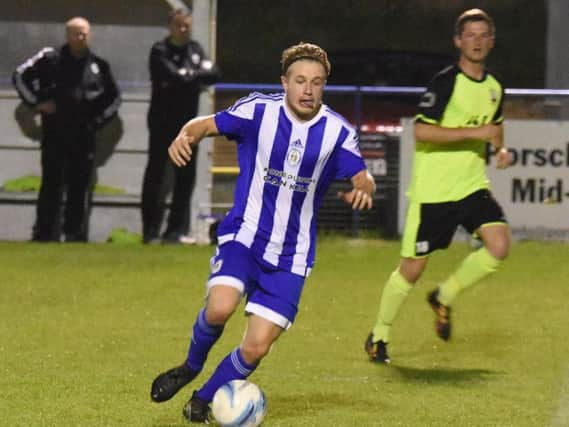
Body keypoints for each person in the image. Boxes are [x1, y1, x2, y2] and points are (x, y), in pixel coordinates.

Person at [150, 42, 376, 422]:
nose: (308, 90)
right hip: (246, 237)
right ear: (284, 82)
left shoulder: (338, 131)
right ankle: (190, 365)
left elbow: (361, 174)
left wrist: (363, 186)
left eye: (317, 83)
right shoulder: (258, 110)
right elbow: (204, 125)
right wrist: (184, 136)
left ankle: (203, 399)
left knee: (255, 348)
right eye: (300, 81)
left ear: (324, 86)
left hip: (293, 255)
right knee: (220, 307)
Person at [364, 8, 512, 364]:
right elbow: (422, 131)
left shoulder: (494, 87)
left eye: (483, 35)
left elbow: (494, 128)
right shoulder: (445, 82)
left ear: (491, 42)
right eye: (470, 35)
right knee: (412, 269)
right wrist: (477, 133)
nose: (476, 41)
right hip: (433, 192)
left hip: (472, 186)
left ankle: (444, 297)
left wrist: (500, 149)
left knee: (499, 245)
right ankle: (378, 335)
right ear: (458, 42)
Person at [12, 17, 121, 242]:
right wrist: (35, 103)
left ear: (89, 35)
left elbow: (115, 98)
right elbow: (19, 76)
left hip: (84, 135)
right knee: (51, 183)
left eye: (84, 33)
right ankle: (44, 233)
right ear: (67, 35)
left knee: (80, 186)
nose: (80, 37)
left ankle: (74, 234)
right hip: (55, 133)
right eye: (75, 33)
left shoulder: (98, 66)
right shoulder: (50, 59)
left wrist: (97, 121)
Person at [141, 7, 221, 244]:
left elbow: (215, 73)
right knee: (156, 174)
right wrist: (194, 76)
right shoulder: (160, 50)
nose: (184, 30)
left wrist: (189, 75)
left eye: (187, 26)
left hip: (188, 126)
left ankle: (175, 231)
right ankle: (150, 230)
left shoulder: (195, 49)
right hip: (162, 123)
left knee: (185, 178)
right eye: (179, 26)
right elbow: (174, 76)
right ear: (171, 27)